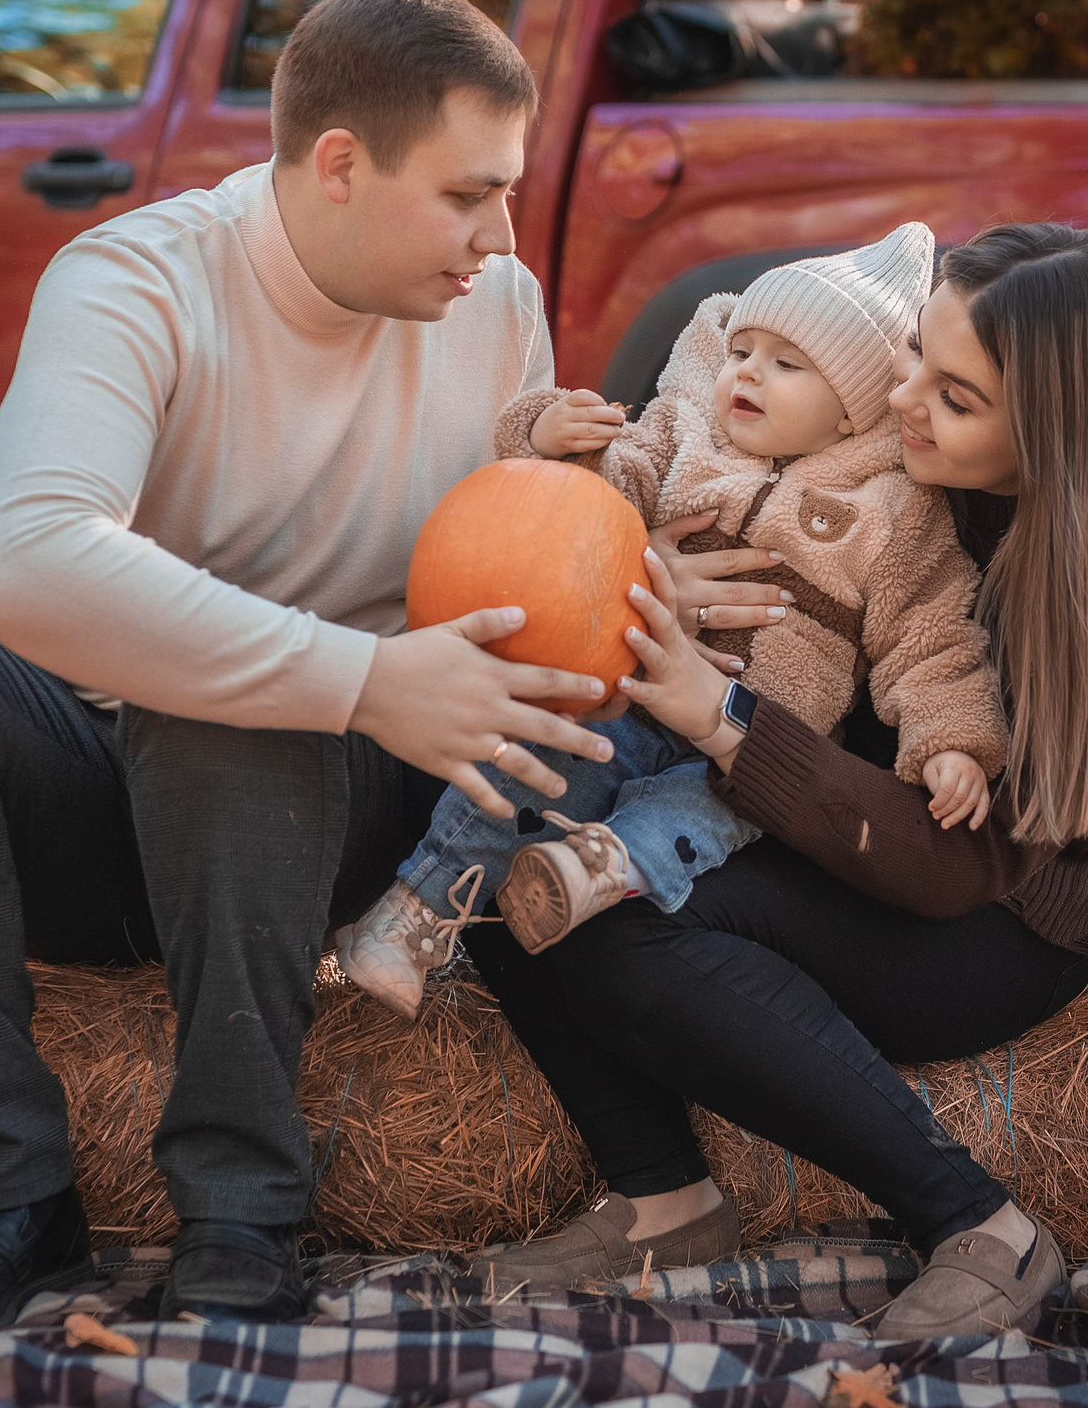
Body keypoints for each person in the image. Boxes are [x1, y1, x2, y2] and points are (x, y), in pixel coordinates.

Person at [0, 0, 623, 1330]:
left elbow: (539, 568)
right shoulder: (136, 280)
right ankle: (7, 1199)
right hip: (109, 810)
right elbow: (24, 556)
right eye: (467, 193)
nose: (497, 235)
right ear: (339, 163)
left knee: (226, 716)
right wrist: (359, 670)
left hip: (334, 821)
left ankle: (241, 1208)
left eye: (505, 192)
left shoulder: (497, 310)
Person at [464, 223, 1088, 1342]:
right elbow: (671, 445)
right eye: (916, 351)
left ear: (1056, 438)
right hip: (787, 814)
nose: (905, 396)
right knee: (515, 832)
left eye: (957, 397)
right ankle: (659, 1193)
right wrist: (640, 572)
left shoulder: (1077, 598)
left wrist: (717, 714)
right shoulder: (873, 432)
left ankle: (981, 1222)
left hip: (983, 910)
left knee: (620, 918)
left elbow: (947, 864)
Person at [335, 222, 1007, 1016]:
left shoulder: (893, 514)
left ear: (850, 415)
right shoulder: (684, 435)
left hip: (747, 745)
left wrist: (952, 743)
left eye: (787, 364)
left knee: (702, 816)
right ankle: (414, 914)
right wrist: (548, 433)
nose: (747, 372)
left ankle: (595, 871)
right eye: (741, 351)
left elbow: (930, 637)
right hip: (632, 689)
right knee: (537, 764)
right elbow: (591, 498)